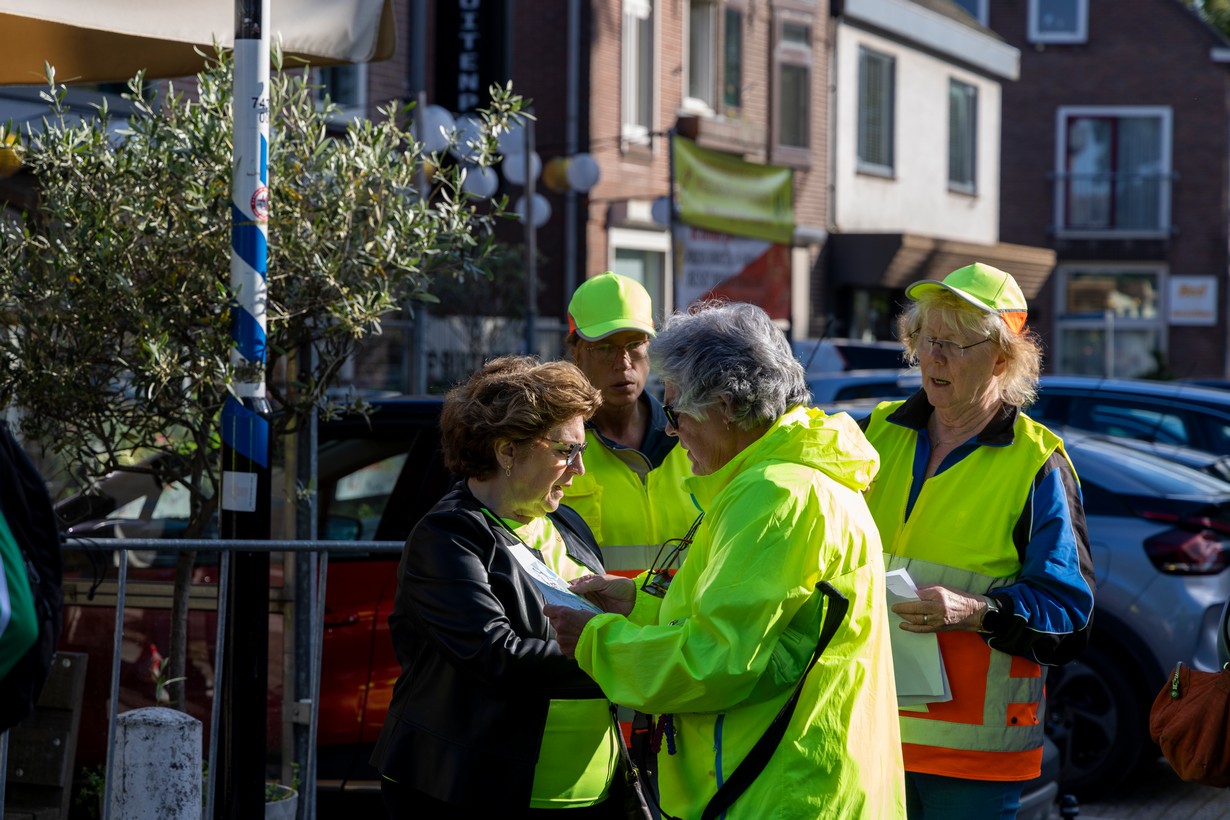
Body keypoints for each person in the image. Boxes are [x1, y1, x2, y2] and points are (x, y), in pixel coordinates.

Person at [546, 301, 906, 819]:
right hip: (792, 780)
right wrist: (637, 602)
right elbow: (755, 623)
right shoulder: (784, 477)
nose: (672, 433)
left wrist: (595, 639)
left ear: (727, 406)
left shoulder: (776, 493)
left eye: (676, 414)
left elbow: (717, 661)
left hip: (778, 791)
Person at [860, 262, 1096, 819]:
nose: (934, 357)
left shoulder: (1037, 463)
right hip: (866, 732)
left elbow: (1070, 617)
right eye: (927, 338)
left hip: (971, 760)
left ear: (1002, 359)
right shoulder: (875, 434)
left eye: (956, 344)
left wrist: (976, 611)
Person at [369, 356, 625, 818]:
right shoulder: (447, 536)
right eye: (566, 451)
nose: (580, 469)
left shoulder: (567, 521)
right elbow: (497, 657)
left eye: (583, 449)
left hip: (590, 792)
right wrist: (629, 657)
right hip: (474, 791)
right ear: (507, 451)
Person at [562, 272, 697, 566]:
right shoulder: (557, 450)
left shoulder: (691, 438)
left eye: (635, 344)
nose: (623, 363)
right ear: (576, 353)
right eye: (605, 347)